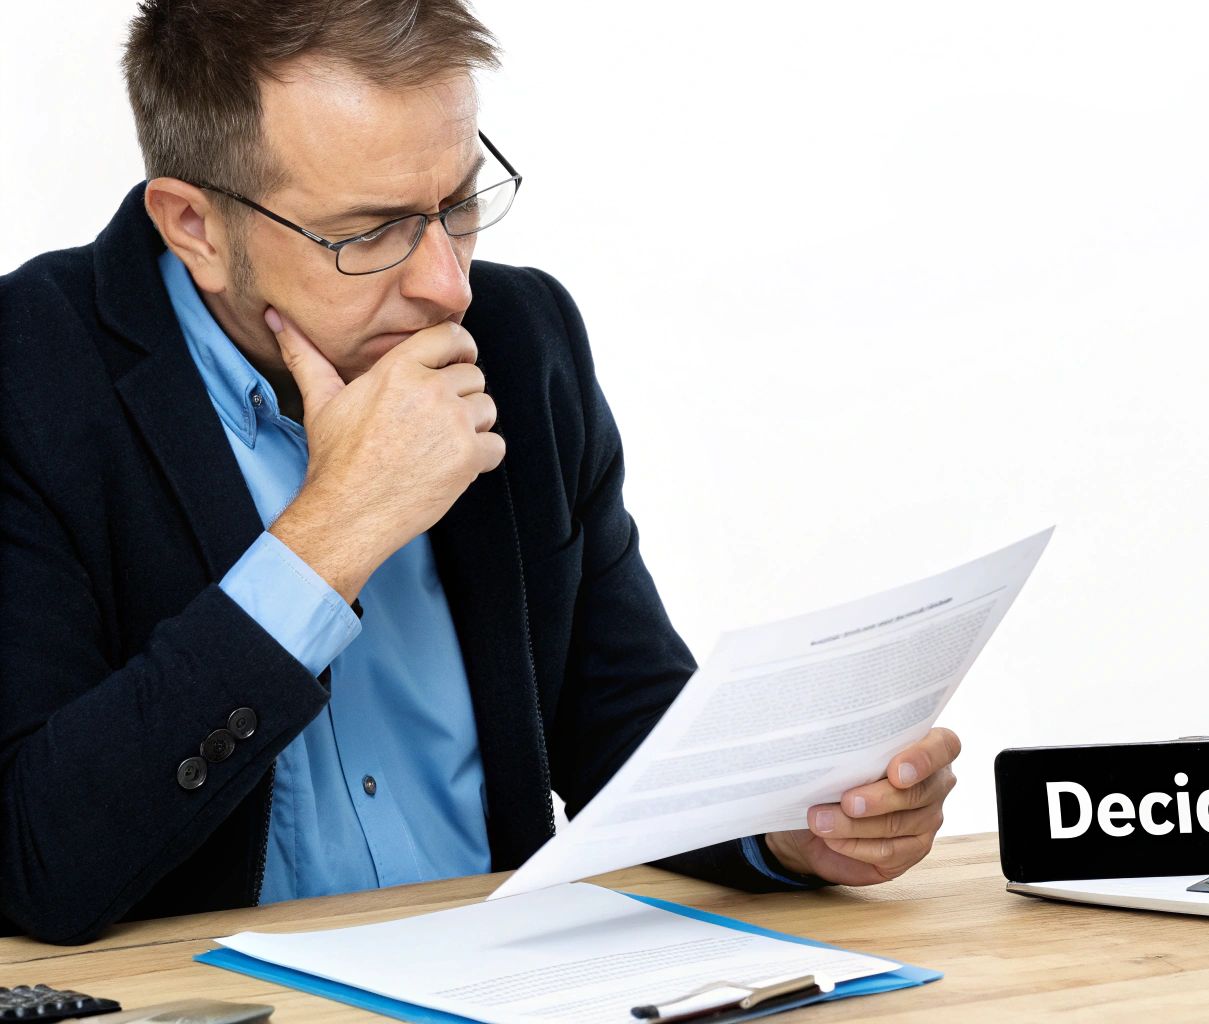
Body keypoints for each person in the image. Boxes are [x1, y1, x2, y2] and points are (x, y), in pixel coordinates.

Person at [0, 0, 958, 946]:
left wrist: (785, 825)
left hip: (502, 983)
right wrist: (336, 530)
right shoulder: (27, 377)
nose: (446, 285)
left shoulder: (521, 338)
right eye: (370, 232)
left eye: (457, 205)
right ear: (194, 226)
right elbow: (37, 861)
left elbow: (617, 716)